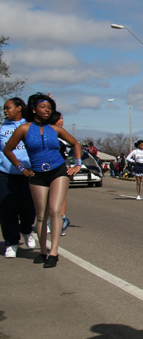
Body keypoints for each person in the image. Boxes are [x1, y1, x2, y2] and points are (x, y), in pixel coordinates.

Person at [2, 93, 81, 268]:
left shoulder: (56, 129)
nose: (47, 110)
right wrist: (21, 169)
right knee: (40, 216)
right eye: (43, 107)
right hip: (37, 174)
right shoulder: (23, 129)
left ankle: (54, 252)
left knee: (54, 210)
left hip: (58, 171)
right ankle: (43, 251)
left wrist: (77, 165)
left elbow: (76, 144)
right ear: (33, 109)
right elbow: (8, 150)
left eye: (50, 108)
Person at [1, 98, 37, 258]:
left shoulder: (30, 125)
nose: (5, 111)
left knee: (28, 208)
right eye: (4, 109)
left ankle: (26, 229)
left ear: (19, 108)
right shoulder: (2, 128)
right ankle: (11, 242)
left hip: (28, 174)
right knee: (7, 208)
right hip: (5, 173)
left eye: (8, 108)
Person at [50, 111, 71, 234]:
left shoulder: (63, 135)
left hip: (62, 165)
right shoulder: (45, 132)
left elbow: (74, 146)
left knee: (61, 195)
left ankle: (61, 220)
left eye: (62, 119)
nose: (62, 121)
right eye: (60, 119)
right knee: (48, 195)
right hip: (47, 166)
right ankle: (49, 220)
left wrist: (77, 165)